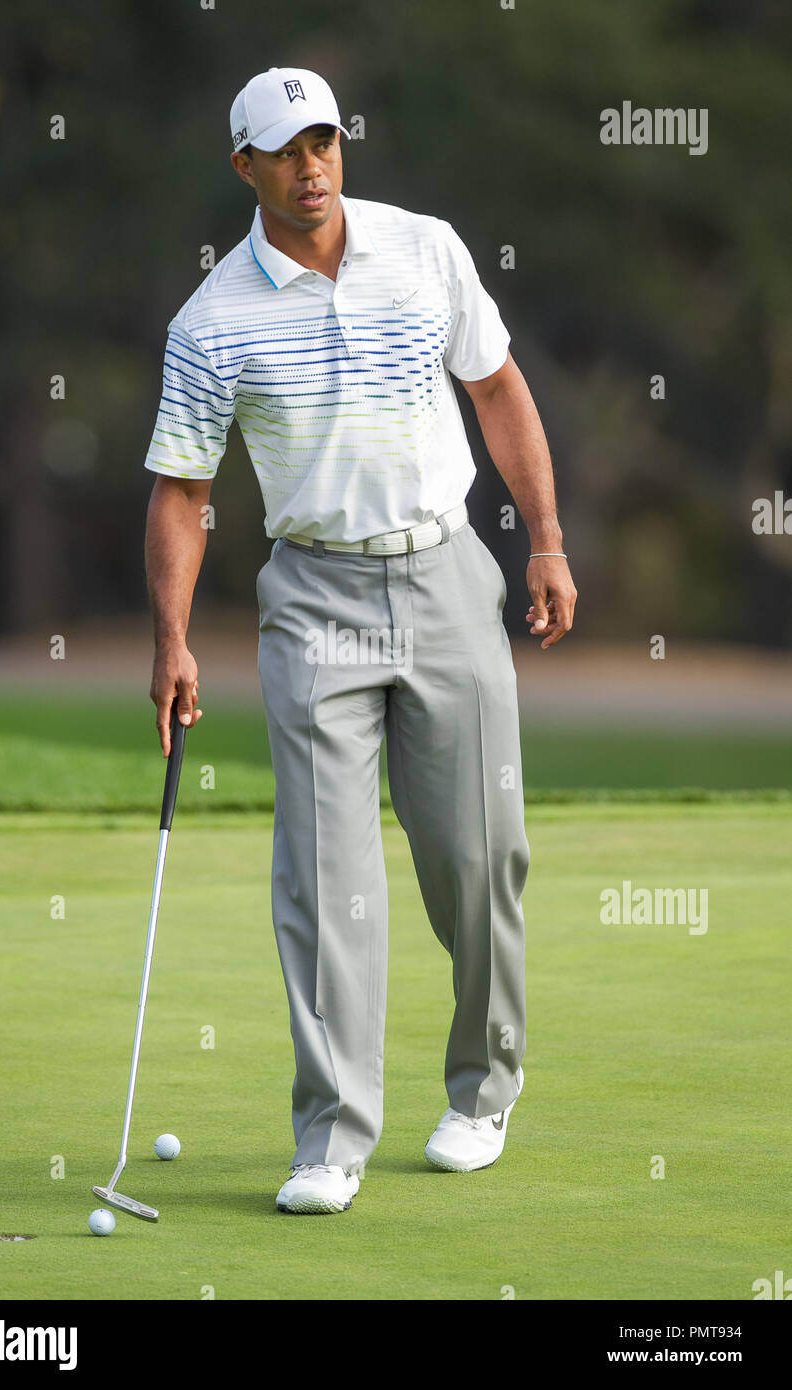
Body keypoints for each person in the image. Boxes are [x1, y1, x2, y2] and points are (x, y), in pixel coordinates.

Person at [143, 66, 577, 1215]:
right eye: (285, 149)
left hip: (445, 577)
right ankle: (329, 1136)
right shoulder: (212, 321)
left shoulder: (424, 249)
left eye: (324, 140)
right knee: (325, 873)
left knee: (476, 856)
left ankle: (483, 1090)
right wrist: (173, 641)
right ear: (244, 166)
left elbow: (496, 390)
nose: (311, 164)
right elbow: (182, 494)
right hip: (314, 600)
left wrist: (543, 539)